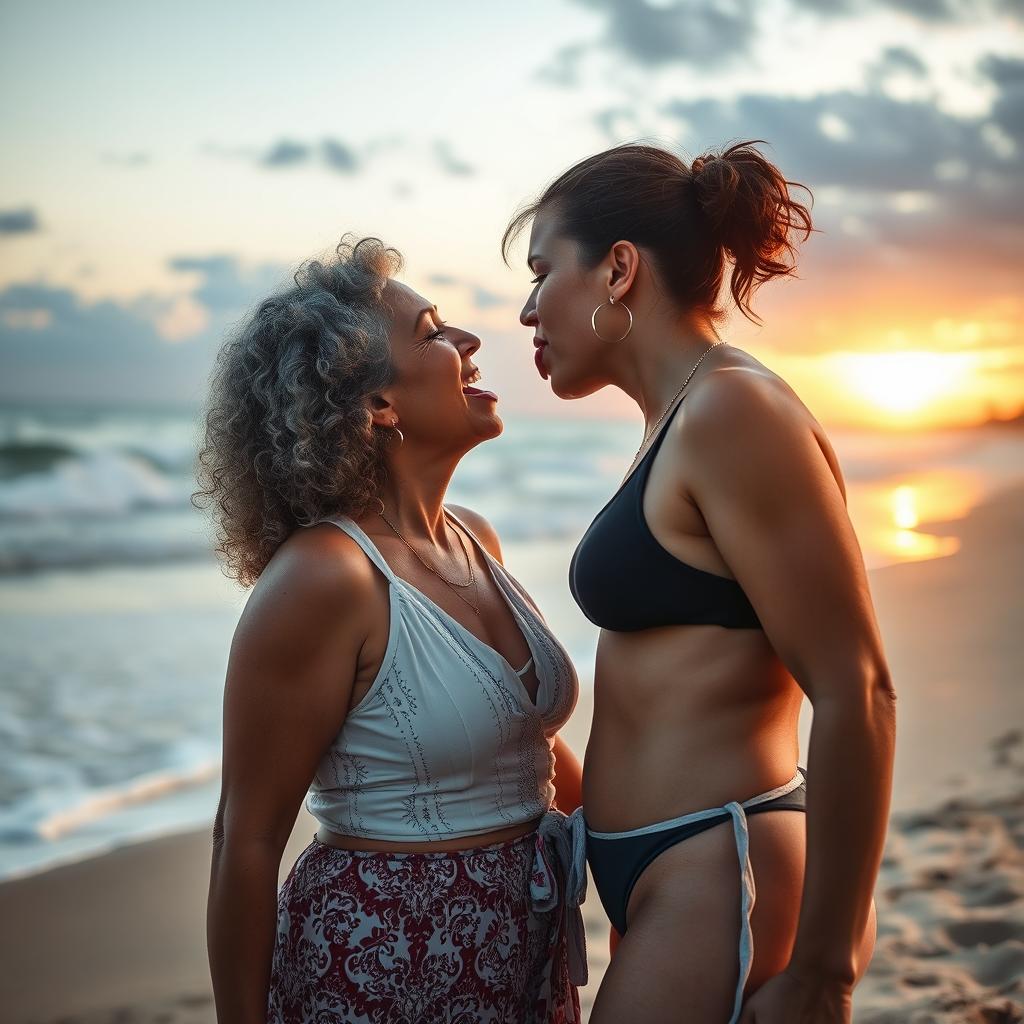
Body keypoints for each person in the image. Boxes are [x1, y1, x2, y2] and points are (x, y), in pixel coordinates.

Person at [504, 141, 897, 1024]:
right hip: (671, 872)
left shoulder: (732, 411)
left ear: (618, 270)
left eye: (541, 272)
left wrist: (824, 977)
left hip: (722, 867)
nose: (528, 309)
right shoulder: (677, 419)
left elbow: (858, 688)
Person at [198, 235, 587, 1024]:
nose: (470, 342)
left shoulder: (475, 537)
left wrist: (677, 840)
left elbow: (528, 745)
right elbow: (243, 841)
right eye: (435, 332)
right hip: (380, 964)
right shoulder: (325, 578)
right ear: (377, 405)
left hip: (522, 952)